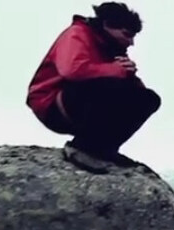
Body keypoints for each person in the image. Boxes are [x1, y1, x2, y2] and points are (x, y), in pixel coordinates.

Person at [26, 3, 161, 174]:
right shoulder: (77, 34)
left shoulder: (112, 48)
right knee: (108, 87)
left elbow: (131, 90)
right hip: (52, 104)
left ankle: (103, 150)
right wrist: (116, 70)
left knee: (148, 99)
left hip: (82, 104)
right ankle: (82, 148)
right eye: (126, 35)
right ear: (108, 25)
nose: (131, 42)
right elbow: (72, 70)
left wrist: (129, 74)